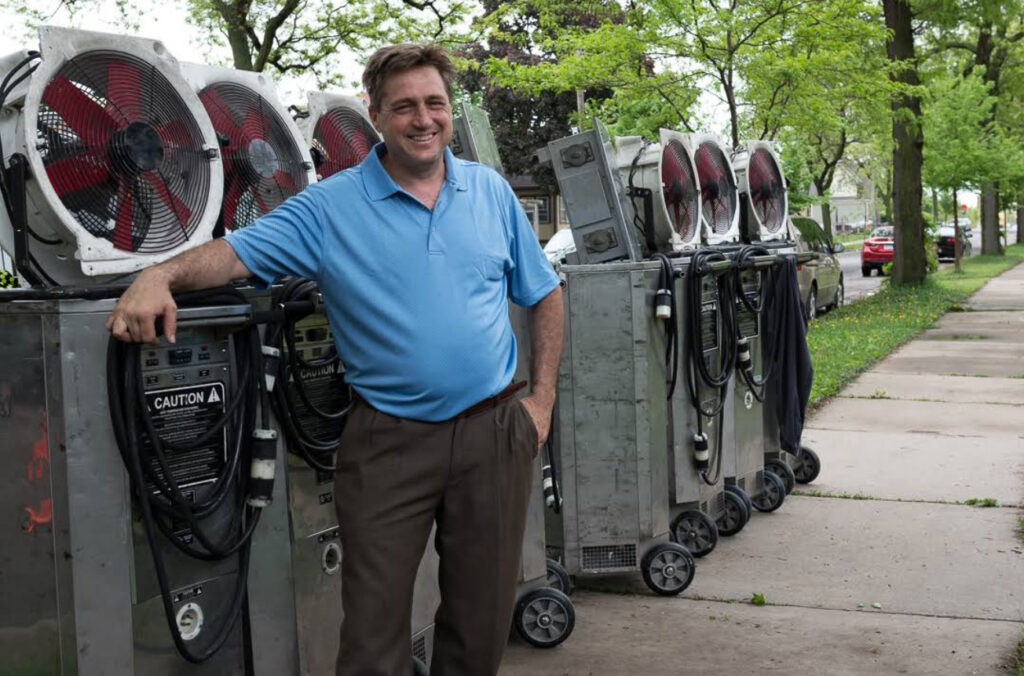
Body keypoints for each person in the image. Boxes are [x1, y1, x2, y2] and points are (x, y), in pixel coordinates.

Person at [107, 44, 563, 676]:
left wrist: (540, 402)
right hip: (388, 442)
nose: (423, 119)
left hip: (493, 432)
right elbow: (234, 254)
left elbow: (544, 294)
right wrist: (159, 274)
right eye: (404, 107)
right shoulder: (330, 207)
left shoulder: (490, 192)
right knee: (373, 636)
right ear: (375, 115)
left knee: (481, 623)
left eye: (434, 103)